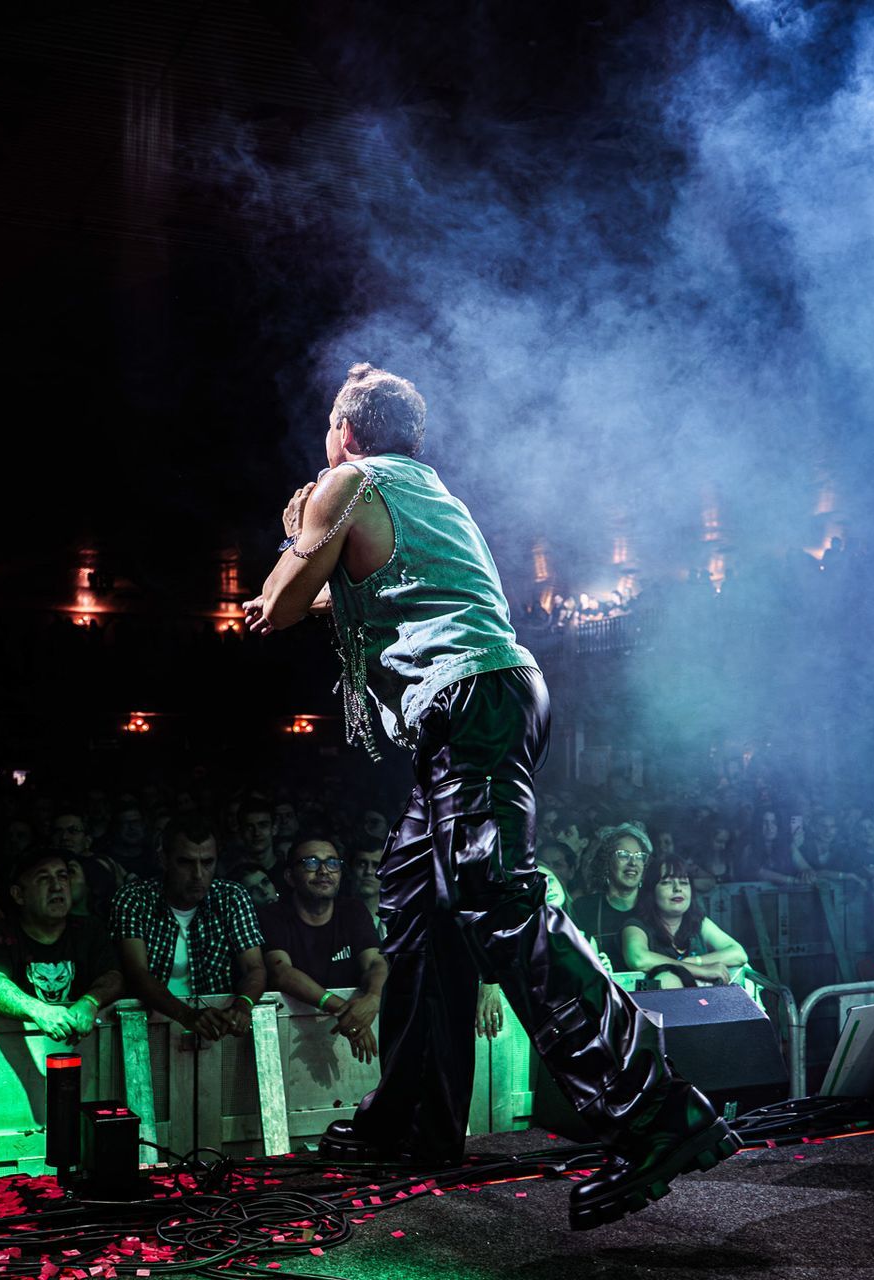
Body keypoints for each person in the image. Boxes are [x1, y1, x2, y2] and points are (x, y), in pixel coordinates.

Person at [242, 363, 731, 1230]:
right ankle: (415, 1121)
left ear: (347, 431)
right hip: (485, 701)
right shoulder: (426, 493)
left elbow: (277, 609)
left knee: (497, 903)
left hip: (472, 703)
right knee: (419, 904)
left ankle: (658, 1115)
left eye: (329, 426)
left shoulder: (347, 482)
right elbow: (370, 602)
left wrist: (295, 531)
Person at [110, 817, 267, 1041]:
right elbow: (136, 973)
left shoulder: (231, 897)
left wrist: (243, 1006)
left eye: (207, 862)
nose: (198, 874)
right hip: (148, 1029)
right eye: (186, 862)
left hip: (216, 1029)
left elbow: (255, 967)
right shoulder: (135, 899)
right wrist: (186, 1015)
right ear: (164, 859)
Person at [257, 834, 388, 1063]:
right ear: (290, 876)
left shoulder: (353, 911)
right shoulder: (274, 915)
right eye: (311, 863)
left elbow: (376, 963)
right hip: (288, 1043)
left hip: (349, 1044)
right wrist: (346, 1011)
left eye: (332, 863)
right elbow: (281, 972)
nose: (324, 871)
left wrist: (374, 998)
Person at [0, 850, 122, 1042]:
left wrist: (91, 1001)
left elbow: (114, 976)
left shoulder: (89, 930)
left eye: (62, 876)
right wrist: (39, 1010)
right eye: (43, 879)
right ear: (18, 895)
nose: (57, 886)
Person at [620, 854, 751, 990]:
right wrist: (700, 970)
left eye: (684, 882)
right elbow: (638, 959)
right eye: (667, 882)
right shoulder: (635, 926)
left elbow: (738, 954)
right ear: (651, 891)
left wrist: (696, 961)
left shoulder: (698, 922)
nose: (678, 888)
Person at [568, 824, 651, 972]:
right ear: (606, 861)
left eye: (639, 857)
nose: (633, 863)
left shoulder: (656, 908)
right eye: (624, 855)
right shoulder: (583, 908)